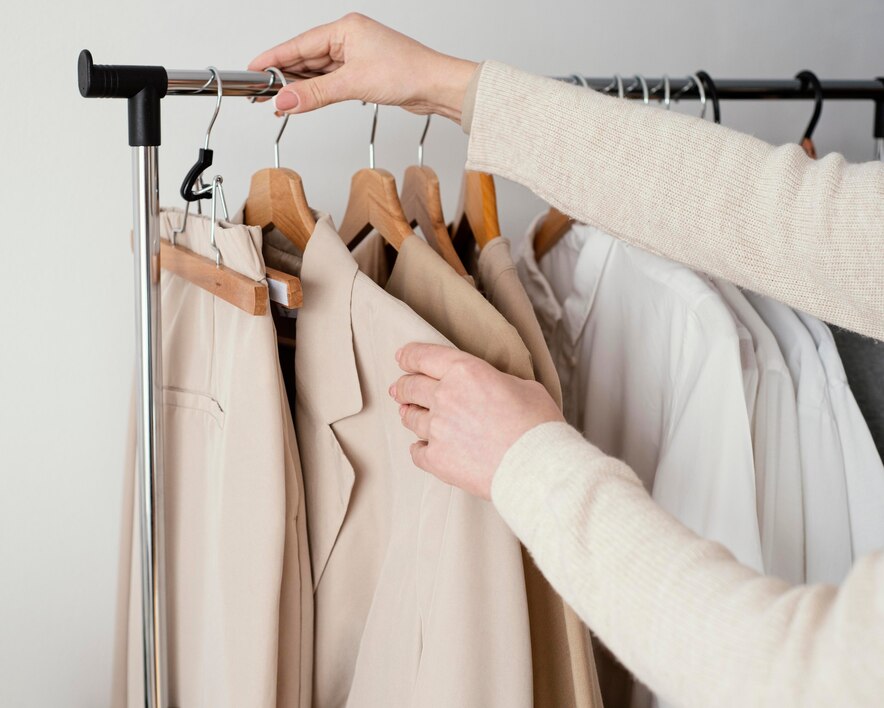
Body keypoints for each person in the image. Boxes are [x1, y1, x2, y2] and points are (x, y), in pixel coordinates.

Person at [249, 14, 884, 707]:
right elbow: (791, 219)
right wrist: (446, 87)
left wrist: (528, 461)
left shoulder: (709, 333)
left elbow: (787, 672)